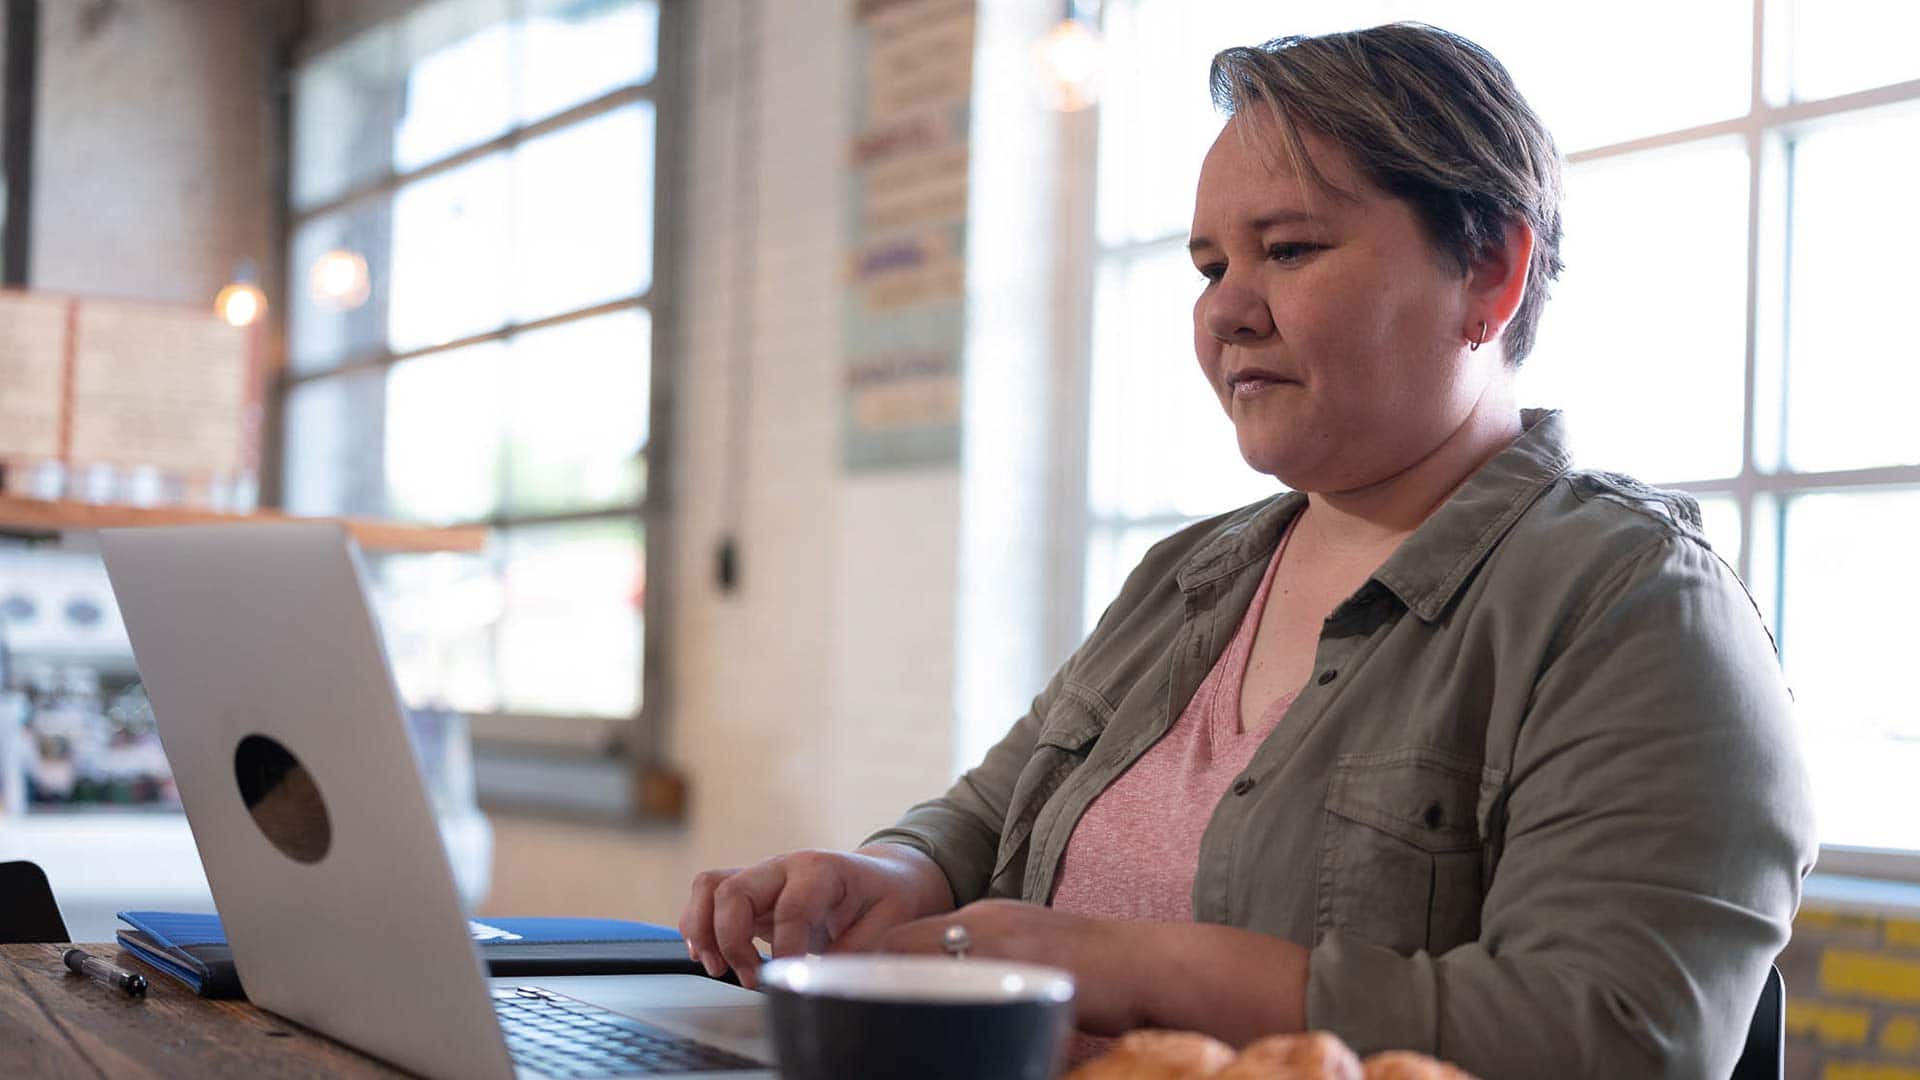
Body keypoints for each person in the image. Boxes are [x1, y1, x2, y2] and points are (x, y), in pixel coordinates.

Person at [680, 22, 1815, 1077]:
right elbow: (988, 816)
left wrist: (1119, 964)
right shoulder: (1190, 577)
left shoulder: (1631, 608)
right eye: (1210, 265)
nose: (1227, 311)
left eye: (1288, 249)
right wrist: (884, 879)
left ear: (1490, 276)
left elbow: (1616, 1035)